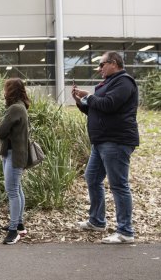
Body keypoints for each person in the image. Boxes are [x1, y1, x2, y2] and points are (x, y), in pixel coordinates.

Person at [72, 51, 139, 244]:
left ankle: (125, 231)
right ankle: (97, 220)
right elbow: (98, 109)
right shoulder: (109, 83)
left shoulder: (124, 82)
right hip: (101, 141)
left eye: (101, 65)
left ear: (114, 63)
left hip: (116, 141)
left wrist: (89, 96)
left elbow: (109, 104)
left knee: (118, 185)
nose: (99, 69)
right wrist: (80, 102)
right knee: (92, 177)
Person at [0, 78, 30, 245]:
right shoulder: (20, 106)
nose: (4, 91)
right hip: (15, 153)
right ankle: (19, 224)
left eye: (6, 88)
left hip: (14, 154)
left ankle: (13, 230)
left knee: (12, 192)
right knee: (17, 189)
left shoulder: (15, 108)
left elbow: (1, 131)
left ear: (12, 90)